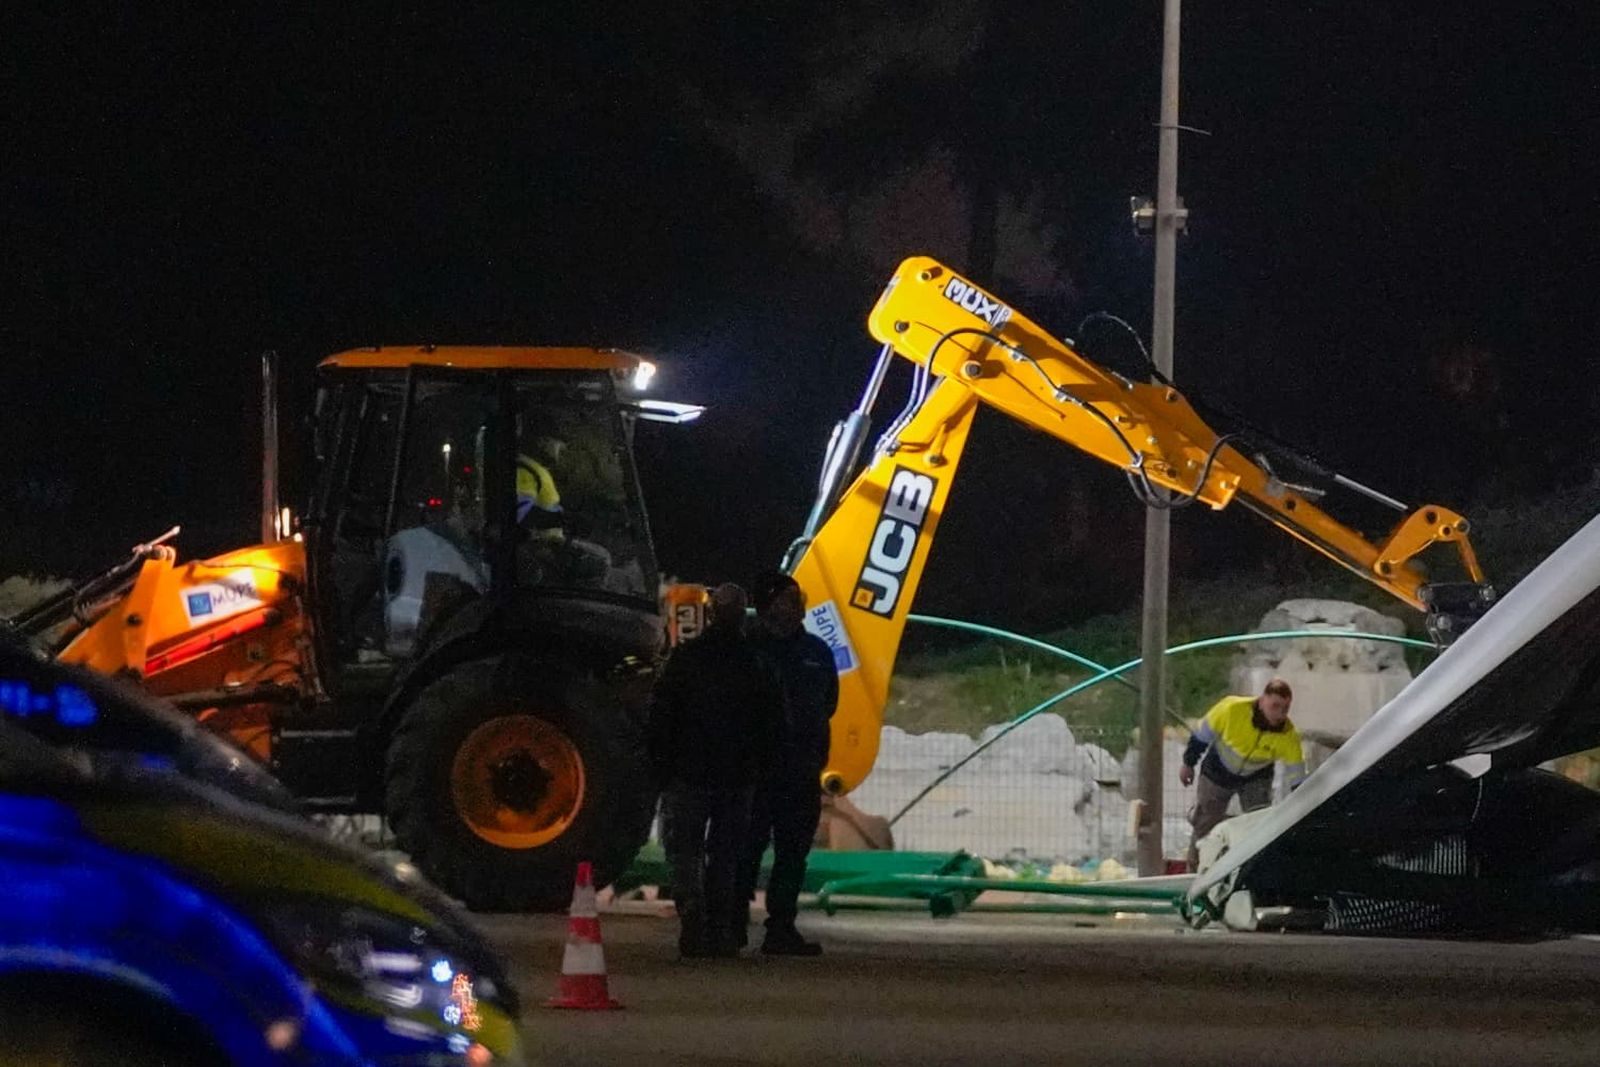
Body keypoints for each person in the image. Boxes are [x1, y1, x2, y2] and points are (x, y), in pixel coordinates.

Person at [649, 583, 782, 958]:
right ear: (742, 615)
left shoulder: (685, 660)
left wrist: (663, 767)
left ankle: (693, 920)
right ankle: (720, 930)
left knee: (684, 853)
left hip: (689, 774)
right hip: (736, 778)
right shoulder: (755, 664)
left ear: (710, 614)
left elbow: (661, 717)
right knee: (726, 856)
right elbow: (772, 723)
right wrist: (762, 767)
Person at [739, 571, 839, 957]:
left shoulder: (816, 651)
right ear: (767, 605)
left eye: (799, 598)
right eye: (788, 599)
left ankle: (781, 928)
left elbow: (828, 702)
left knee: (793, 853)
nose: (797, 606)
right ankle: (732, 922)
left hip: (800, 770)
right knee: (745, 849)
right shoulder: (747, 651)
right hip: (755, 772)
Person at [1180, 678, 1307, 869]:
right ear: (1262, 699)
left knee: (1258, 823)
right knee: (1206, 821)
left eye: (1285, 709)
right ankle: (1194, 868)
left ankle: (1252, 868)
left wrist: (1303, 802)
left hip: (1256, 778)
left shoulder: (1288, 735)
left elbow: (1296, 773)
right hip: (1218, 771)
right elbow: (1201, 735)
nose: (1280, 714)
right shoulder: (1232, 709)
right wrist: (1188, 763)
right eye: (1275, 706)